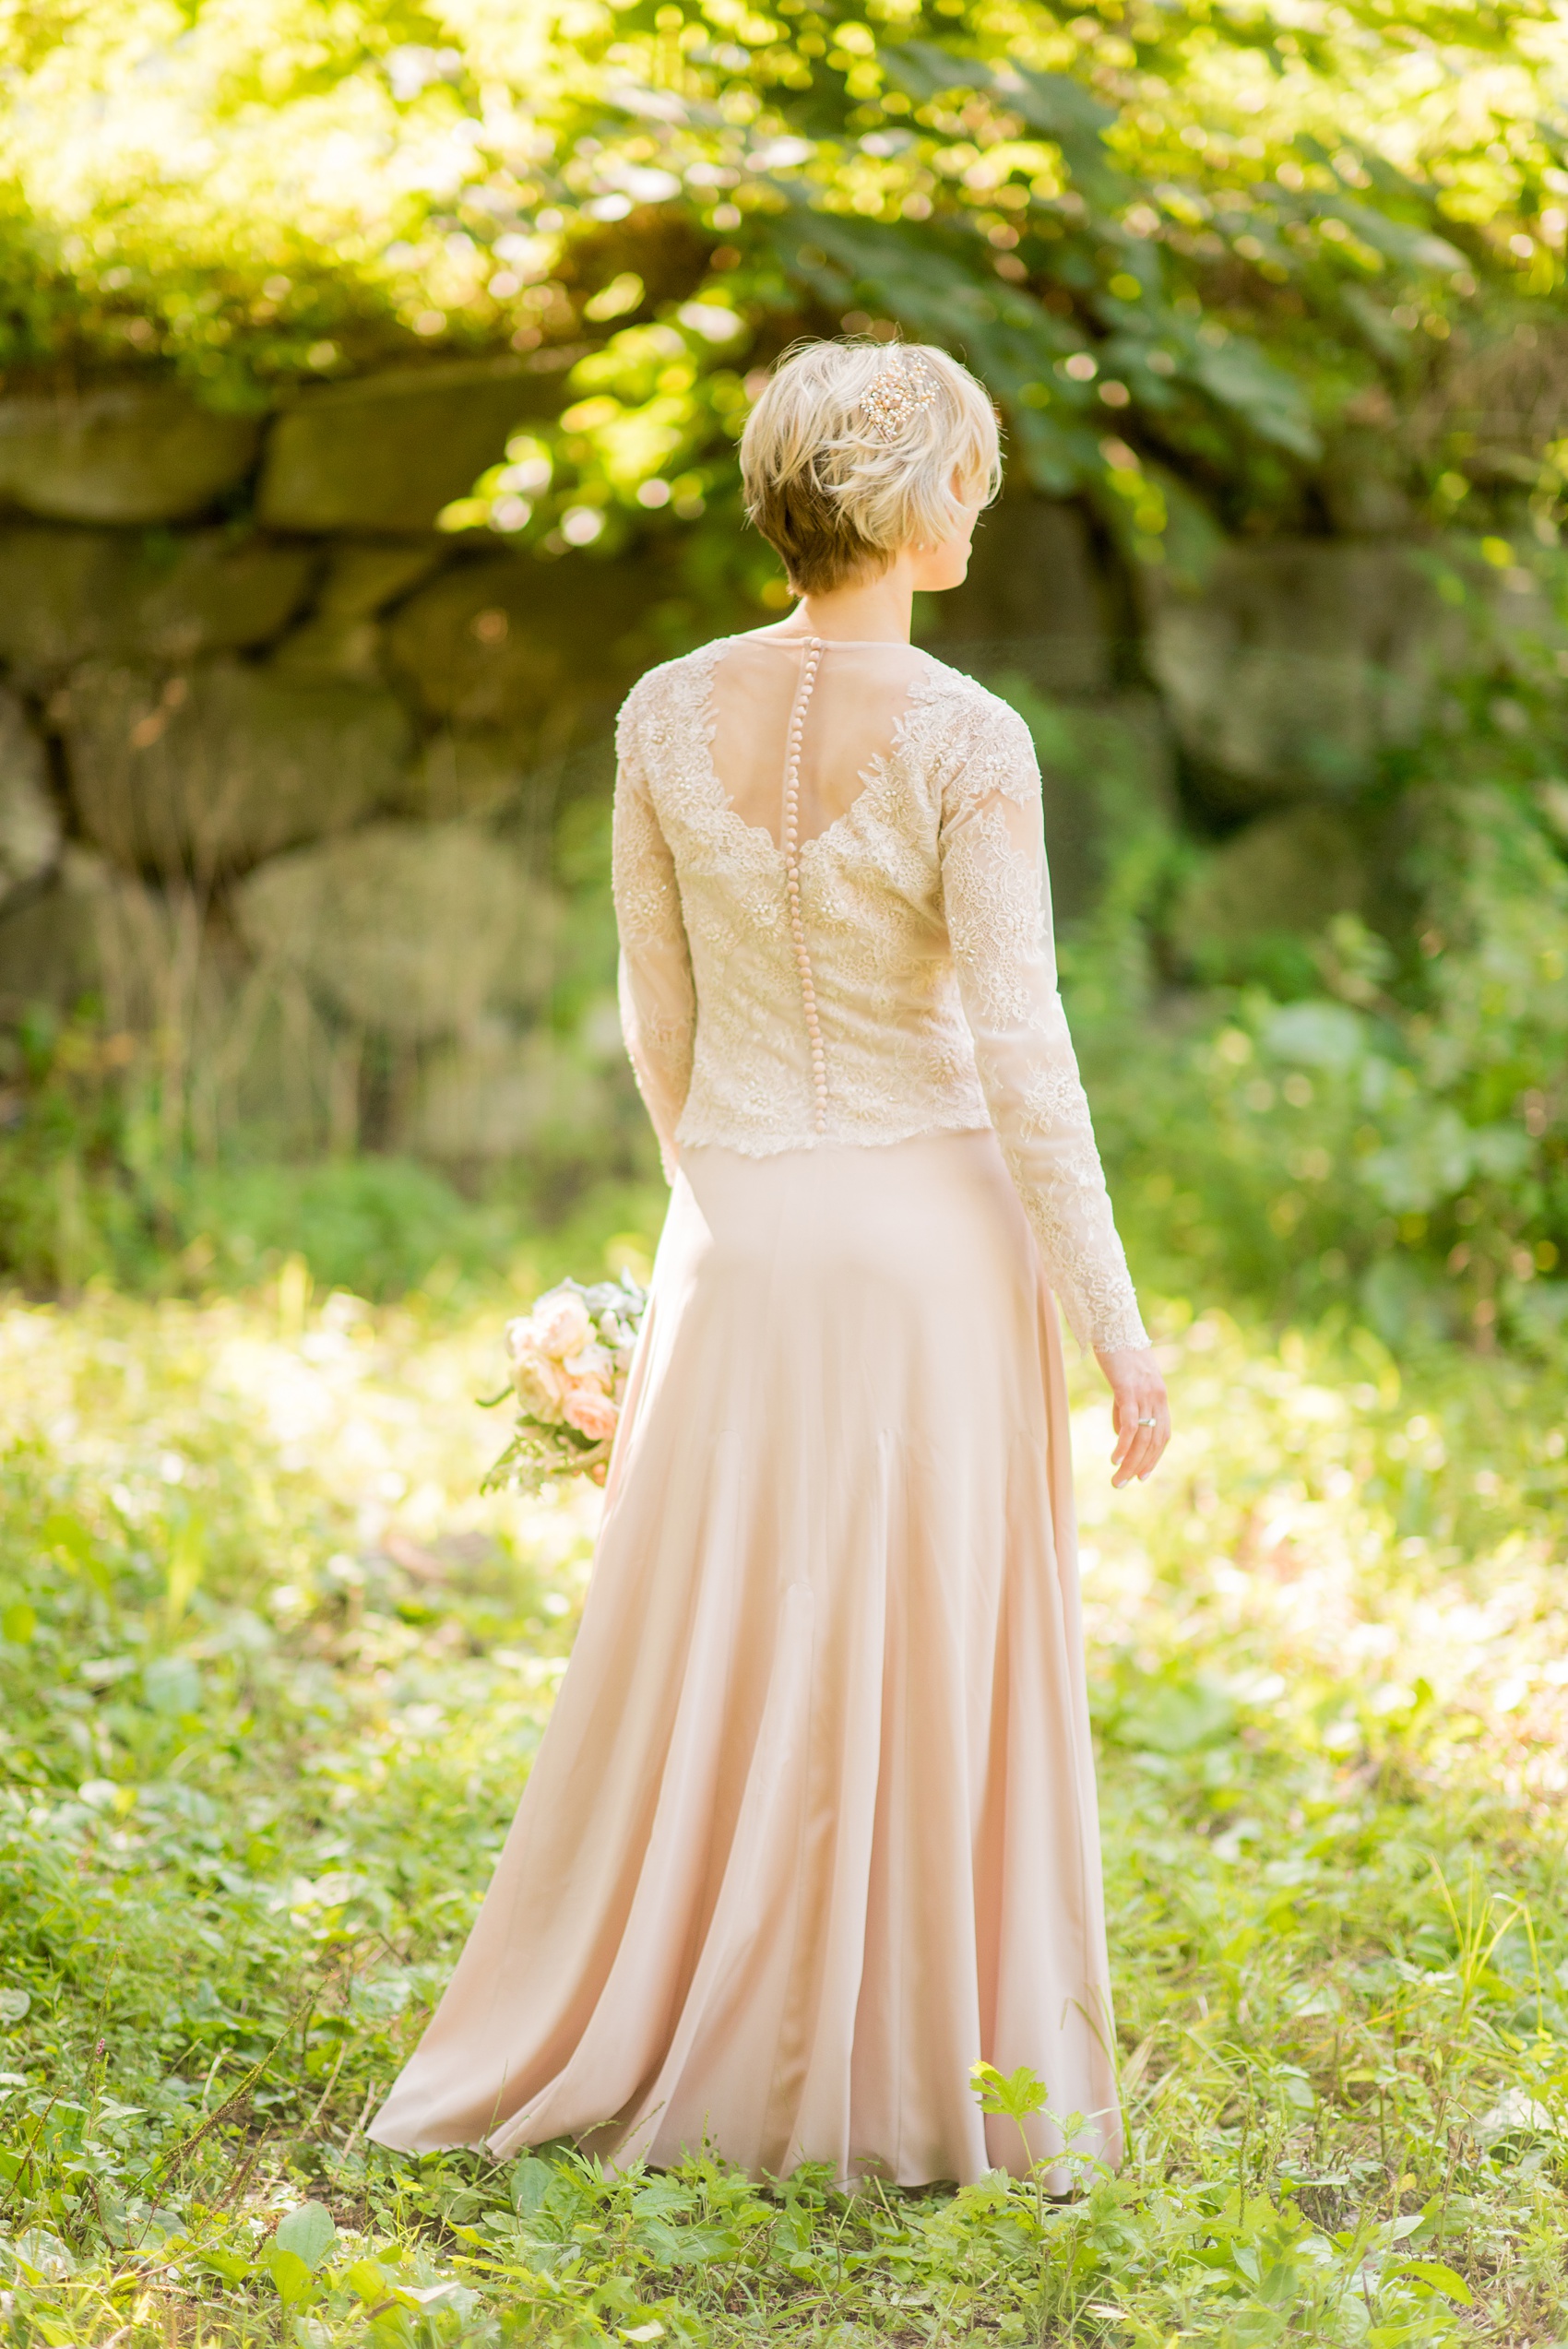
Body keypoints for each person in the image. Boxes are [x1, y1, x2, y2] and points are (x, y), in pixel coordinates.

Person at [370, 338, 1170, 2190]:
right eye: (963, 473)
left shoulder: (660, 711)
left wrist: (718, 1202)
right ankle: (903, 2066)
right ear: (899, 502)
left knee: (723, 1643)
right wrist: (1117, 1332)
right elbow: (1024, 1047)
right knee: (909, 1644)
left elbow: (662, 1016)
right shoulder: (969, 740)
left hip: (741, 1227)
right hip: (931, 1250)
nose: (977, 501)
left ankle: (675, 2013)